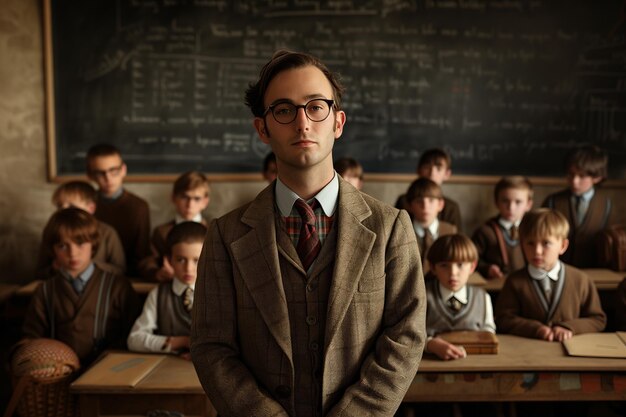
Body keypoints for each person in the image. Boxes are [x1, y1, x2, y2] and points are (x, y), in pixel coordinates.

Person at [190, 50, 426, 417]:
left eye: (316, 107)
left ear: (338, 122)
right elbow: (211, 346)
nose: (302, 123)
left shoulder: (390, 226)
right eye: (283, 110)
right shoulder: (225, 235)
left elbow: (406, 335)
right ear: (262, 128)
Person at [22, 208, 139, 366]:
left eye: (80, 243)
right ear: (53, 250)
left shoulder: (118, 286)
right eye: (63, 246)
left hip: (108, 372)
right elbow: (31, 338)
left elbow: (133, 336)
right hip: (57, 374)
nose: (73, 253)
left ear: (93, 244)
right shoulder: (45, 291)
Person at [495, 208, 606, 341]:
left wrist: (569, 327)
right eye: (530, 243)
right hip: (528, 353)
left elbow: (597, 319)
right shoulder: (514, 281)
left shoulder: (581, 280)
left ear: (563, 246)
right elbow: (503, 319)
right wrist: (536, 329)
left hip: (571, 352)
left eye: (546, 243)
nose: (537, 251)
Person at [128, 222, 206, 358]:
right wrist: (180, 342)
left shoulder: (219, 293)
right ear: (168, 261)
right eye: (181, 260)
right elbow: (134, 339)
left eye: (197, 260)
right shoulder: (158, 294)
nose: (188, 269)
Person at [35, 180, 126, 279]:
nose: (64, 211)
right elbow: (40, 272)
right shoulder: (52, 230)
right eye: (59, 206)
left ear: (91, 208)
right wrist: (54, 268)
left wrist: (88, 266)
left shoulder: (108, 232)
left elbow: (120, 270)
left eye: (72, 206)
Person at [425, 234, 495, 361]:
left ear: (472, 267)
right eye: (444, 265)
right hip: (433, 362)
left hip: (475, 363)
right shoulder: (423, 296)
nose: (453, 273)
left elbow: (488, 331)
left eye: (460, 264)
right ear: (433, 267)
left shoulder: (483, 297)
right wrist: (430, 344)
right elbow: (411, 334)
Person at [542, 145, 614, 268]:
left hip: (594, 270)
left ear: (597, 177)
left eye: (582, 176)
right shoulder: (553, 201)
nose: (575, 181)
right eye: (571, 174)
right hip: (557, 268)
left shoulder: (606, 205)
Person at [86, 143, 151, 277]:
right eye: (100, 173)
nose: (108, 178)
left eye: (113, 170)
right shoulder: (86, 206)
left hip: (130, 278)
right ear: (90, 175)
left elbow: (141, 255)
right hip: (91, 276)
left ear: (123, 170)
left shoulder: (139, 207)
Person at [139, 171, 210, 281]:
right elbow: (148, 261)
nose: (190, 205)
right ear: (174, 198)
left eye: (196, 199)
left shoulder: (213, 231)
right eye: (184, 197)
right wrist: (158, 273)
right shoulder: (161, 232)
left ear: (205, 202)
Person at [472, 176, 533, 280]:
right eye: (505, 201)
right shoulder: (485, 231)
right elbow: (471, 258)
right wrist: (487, 268)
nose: (511, 207)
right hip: (497, 287)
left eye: (518, 202)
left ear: (528, 205)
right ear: (496, 202)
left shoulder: (533, 229)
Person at [395, 148, 462, 230]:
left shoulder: (451, 208)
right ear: (418, 170)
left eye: (438, 169)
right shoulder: (404, 201)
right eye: (427, 167)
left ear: (447, 174)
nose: (432, 173)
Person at [406, 177, 457, 266]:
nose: (425, 207)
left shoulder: (451, 231)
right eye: (419, 201)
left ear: (440, 205)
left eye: (431, 200)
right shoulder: (403, 231)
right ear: (410, 206)